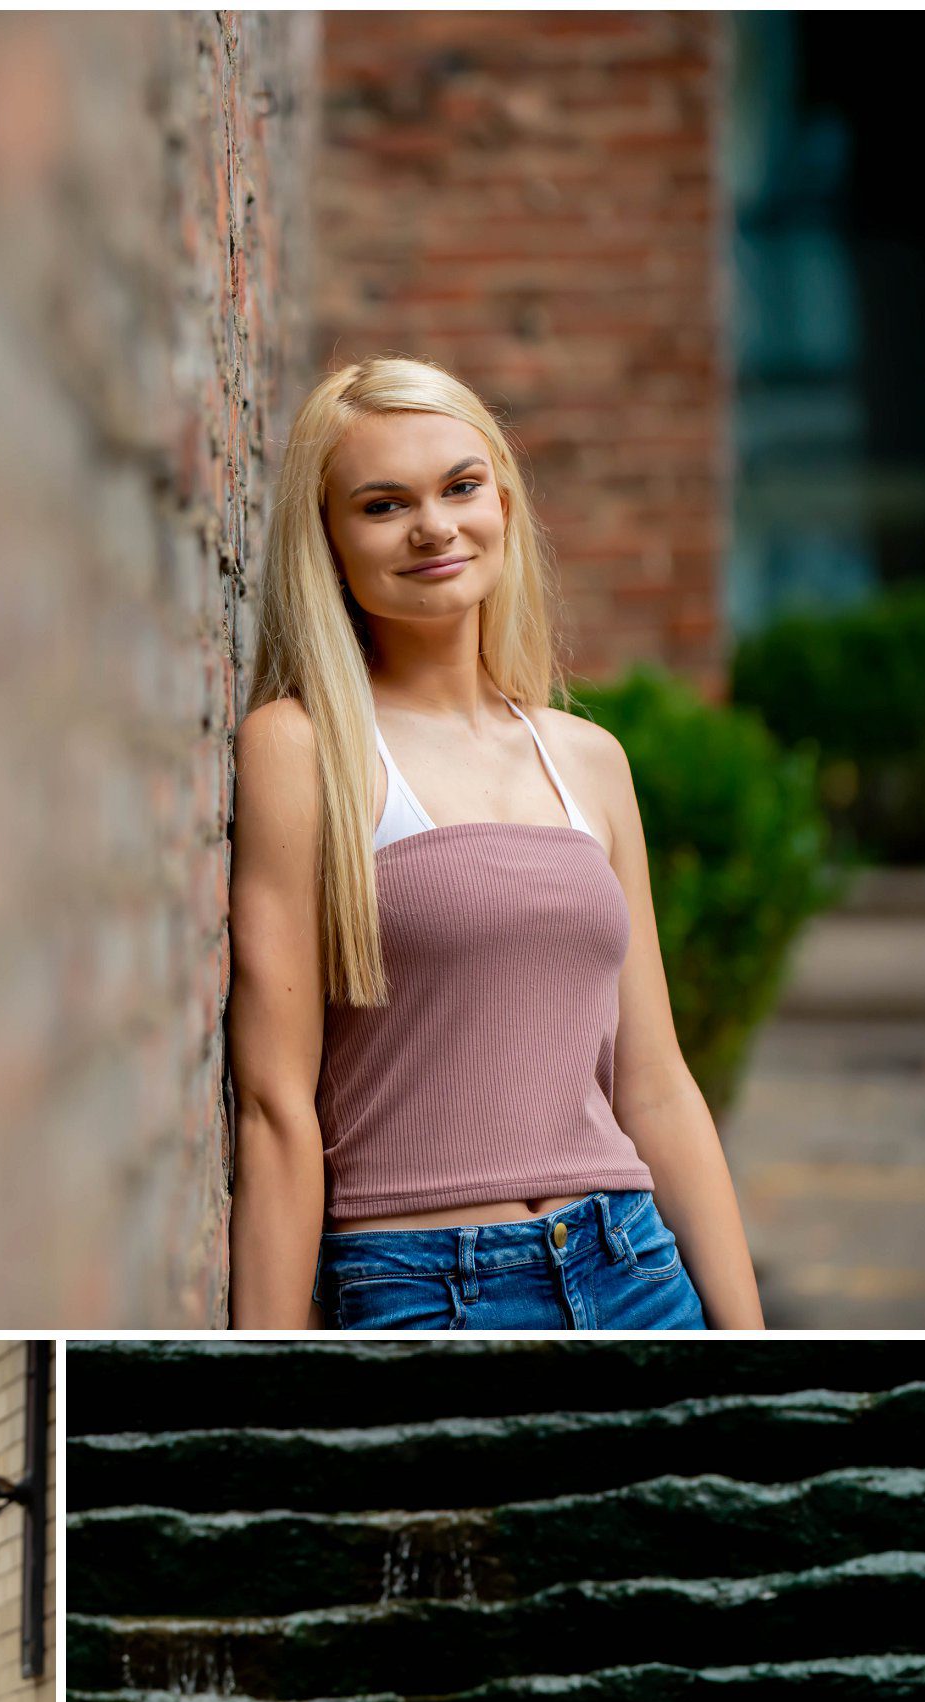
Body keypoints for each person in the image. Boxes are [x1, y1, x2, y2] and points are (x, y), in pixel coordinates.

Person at [227, 357, 765, 1335]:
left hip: (633, 1270)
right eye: (383, 505)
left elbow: (655, 1086)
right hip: (419, 1291)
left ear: (503, 507)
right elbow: (273, 1109)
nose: (433, 526)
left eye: (460, 487)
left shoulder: (589, 760)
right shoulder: (299, 749)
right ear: (328, 542)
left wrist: (749, 1344)